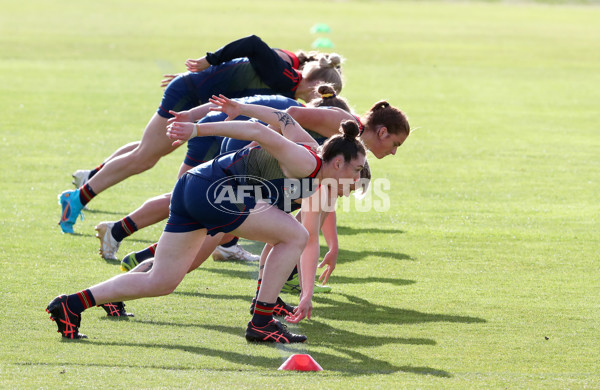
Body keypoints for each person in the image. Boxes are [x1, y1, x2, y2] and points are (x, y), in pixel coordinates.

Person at [47, 96, 366, 343]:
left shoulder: (312, 161)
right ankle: (262, 323)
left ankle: (72, 304)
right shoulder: (306, 161)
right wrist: (197, 129)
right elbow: (257, 130)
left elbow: (283, 117)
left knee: (162, 281)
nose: (357, 179)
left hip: (195, 187)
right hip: (215, 191)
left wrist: (241, 105)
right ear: (337, 164)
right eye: (356, 171)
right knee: (294, 235)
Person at [58, 35, 343, 234]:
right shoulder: (286, 76)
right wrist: (207, 64)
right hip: (191, 95)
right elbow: (252, 44)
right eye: (321, 93)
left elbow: (241, 79)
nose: (318, 100)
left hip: (198, 96)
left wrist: (203, 81)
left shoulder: (289, 83)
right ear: (316, 82)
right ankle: (78, 198)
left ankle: (89, 182)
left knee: (149, 150)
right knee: (145, 157)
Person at [93, 85, 350, 263]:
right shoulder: (337, 136)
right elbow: (279, 121)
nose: (392, 152)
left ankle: (217, 249)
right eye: (393, 143)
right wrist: (196, 126)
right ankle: (136, 245)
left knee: (217, 212)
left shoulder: (325, 140)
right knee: (199, 206)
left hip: (236, 130)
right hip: (236, 136)